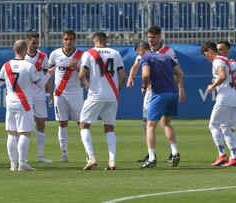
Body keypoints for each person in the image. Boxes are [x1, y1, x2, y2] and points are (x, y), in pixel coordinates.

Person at [0, 39, 54, 171]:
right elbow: (40, 84)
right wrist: (49, 73)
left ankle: (13, 164)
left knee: (11, 133)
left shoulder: (6, 65)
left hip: (10, 102)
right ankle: (22, 163)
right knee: (24, 133)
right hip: (24, 103)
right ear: (25, 50)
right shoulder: (28, 66)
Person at [126, 26, 180, 163]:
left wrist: (181, 89)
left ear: (159, 37)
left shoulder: (167, 51)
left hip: (158, 90)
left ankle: (155, 154)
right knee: (150, 121)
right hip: (156, 90)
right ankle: (155, 152)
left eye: (153, 37)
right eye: (149, 37)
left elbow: (177, 71)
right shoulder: (145, 52)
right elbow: (135, 65)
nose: (151, 39)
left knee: (156, 123)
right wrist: (130, 78)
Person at [79, 32, 126, 170]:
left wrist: (86, 83)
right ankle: (112, 161)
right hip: (112, 96)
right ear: (105, 41)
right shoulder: (115, 53)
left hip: (96, 94)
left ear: (95, 41)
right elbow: (123, 76)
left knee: (83, 125)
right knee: (109, 127)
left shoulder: (89, 53)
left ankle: (91, 157)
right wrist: (117, 90)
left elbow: (82, 74)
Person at [137, 41, 185, 168]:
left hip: (159, 94)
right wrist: (180, 89)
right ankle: (174, 152)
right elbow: (180, 73)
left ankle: (152, 157)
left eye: (138, 52)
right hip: (173, 93)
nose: (139, 55)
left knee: (150, 125)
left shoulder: (146, 58)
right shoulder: (165, 57)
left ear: (141, 49)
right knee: (166, 123)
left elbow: (145, 74)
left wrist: (144, 86)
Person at [201, 41, 236, 167]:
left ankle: (222, 155)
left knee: (213, 125)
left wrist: (212, 86)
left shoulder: (217, 61)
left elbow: (223, 76)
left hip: (225, 97)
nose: (205, 57)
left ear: (210, 51)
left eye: (205, 54)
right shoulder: (225, 60)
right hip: (234, 96)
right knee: (226, 128)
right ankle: (235, 157)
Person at [48, 30, 85, 162]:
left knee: (81, 123)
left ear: (74, 40)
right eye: (66, 39)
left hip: (76, 94)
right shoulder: (55, 54)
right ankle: (64, 154)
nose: (68, 41)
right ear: (62, 40)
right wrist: (51, 93)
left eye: (70, 39)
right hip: (59, 94)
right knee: (62, 123)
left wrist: (76, 69)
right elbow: (50, 72)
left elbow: (87, 73)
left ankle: (88, 154)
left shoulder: (81, 55)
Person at [216, 41, 236, 163]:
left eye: (222, 49)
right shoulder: (221, 63)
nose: (219, 52)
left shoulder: (233, 64)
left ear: (228, 50)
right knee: (226, 128)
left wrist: (225, 78)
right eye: (218, 49)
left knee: (227, 128)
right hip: (230, 99)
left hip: (234, 98)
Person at [24, 30, 52, 163]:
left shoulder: (43, 56)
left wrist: (51, 92)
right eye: (33, 42)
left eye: (37, 42)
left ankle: (40, 155)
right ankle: (21, 156)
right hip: (26, 95)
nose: (36, 45)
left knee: (41, 123)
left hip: (40, 95)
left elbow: (47, 73)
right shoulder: (22, 56)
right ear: (27, 42)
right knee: (25, 125)